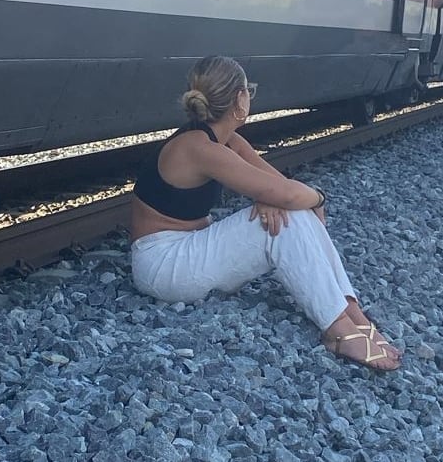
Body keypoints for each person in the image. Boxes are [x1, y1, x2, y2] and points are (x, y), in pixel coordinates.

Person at [129, 56, 400, 371]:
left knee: (292, 213)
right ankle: (338, 330)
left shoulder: (225, 141)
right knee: (287, 218)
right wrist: (318, 197)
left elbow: (279, 186)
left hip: (189, 248)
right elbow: (287, 193)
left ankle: (352, 315)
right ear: (240, 100)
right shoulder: (200, 148)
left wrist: (282, 198)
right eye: (249, 91)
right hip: (164, 266)